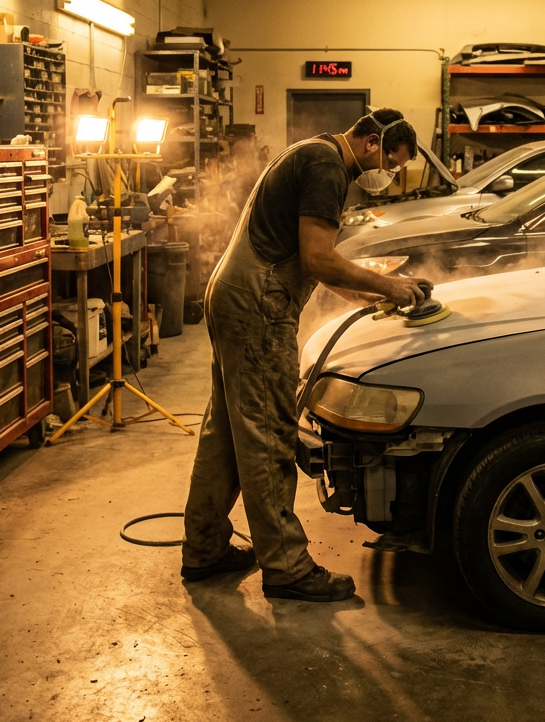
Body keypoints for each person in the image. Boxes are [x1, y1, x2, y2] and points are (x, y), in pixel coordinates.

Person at [181, 109, 432, 602]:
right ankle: (288, 567)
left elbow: (309, 260)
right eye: (393, 164)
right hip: (256, 303)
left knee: (229, 432)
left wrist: (367, 296)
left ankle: (204, 547)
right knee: (269, 433)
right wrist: (391, 284)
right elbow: (318, 258)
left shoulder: (311, 150)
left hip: (232, 294)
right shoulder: (328, 169)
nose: (389, 176)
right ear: (372, 143)